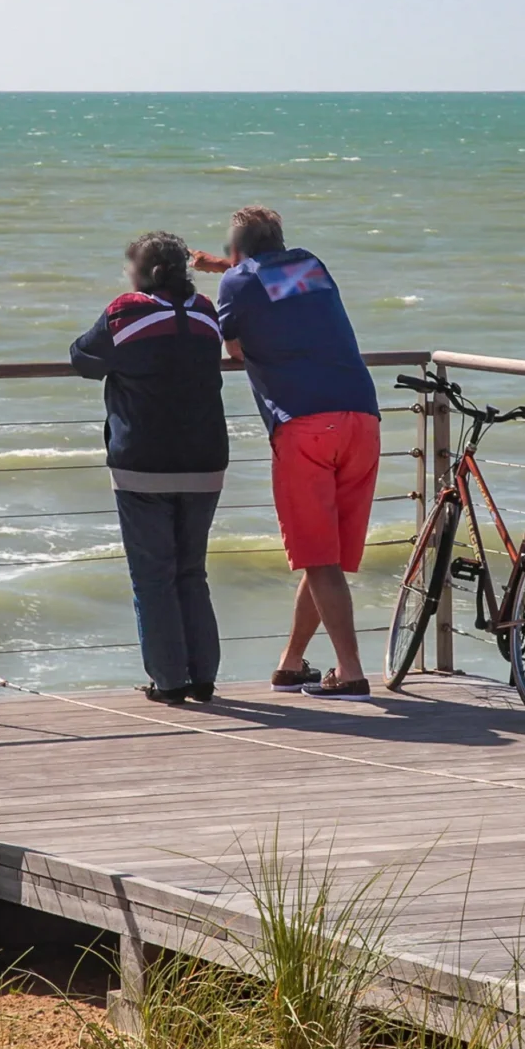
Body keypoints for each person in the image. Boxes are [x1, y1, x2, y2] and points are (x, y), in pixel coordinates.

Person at [193, 206, 380, 701]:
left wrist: (223, 277)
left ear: (235, 250)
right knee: (329, 558)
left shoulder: (237, 284)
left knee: (320, 559)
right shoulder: (309, 266)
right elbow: (269, 280)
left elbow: (232, 346)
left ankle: (352, 672)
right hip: (362, 417)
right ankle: (291, 664)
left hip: (304, 425)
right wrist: (228, 267)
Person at [71, 232, 229, 704]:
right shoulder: (205, 311)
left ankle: (169, 680)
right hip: (205, 460)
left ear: (139, 273)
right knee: (191, 572)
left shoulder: (127, 311)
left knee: (152, 576)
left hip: (143, 462)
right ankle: (203, 677)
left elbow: (83, 357)